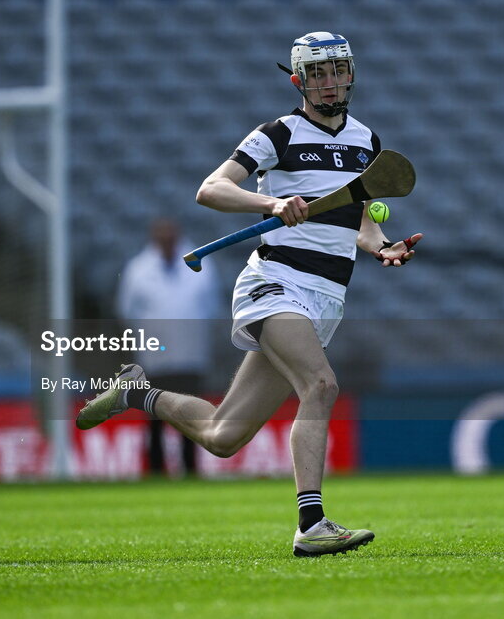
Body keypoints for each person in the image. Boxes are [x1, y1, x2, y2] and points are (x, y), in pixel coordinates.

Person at [78, 33, 423, 557]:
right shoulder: (276, 134)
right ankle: (311, 524)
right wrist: (271, 201)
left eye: (337, 71)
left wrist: (381, 247)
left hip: (327, 295)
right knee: (322, 384)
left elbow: (358, 217)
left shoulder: (366, 142)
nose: (329, 83)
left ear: (351, 73)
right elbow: (210, 188)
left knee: (222, 437)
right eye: (318, 73)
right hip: (276, 282)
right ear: (298, 80)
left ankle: (136, 393)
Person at [115, 217, 221, 476]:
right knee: (155, 417)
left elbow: (212, 305)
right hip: (155, 359)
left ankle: (190, 468)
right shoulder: (138, 270)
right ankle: (155, 470)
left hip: (190, 355)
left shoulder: (202, 266)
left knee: (191, 415)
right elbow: (126, 311)